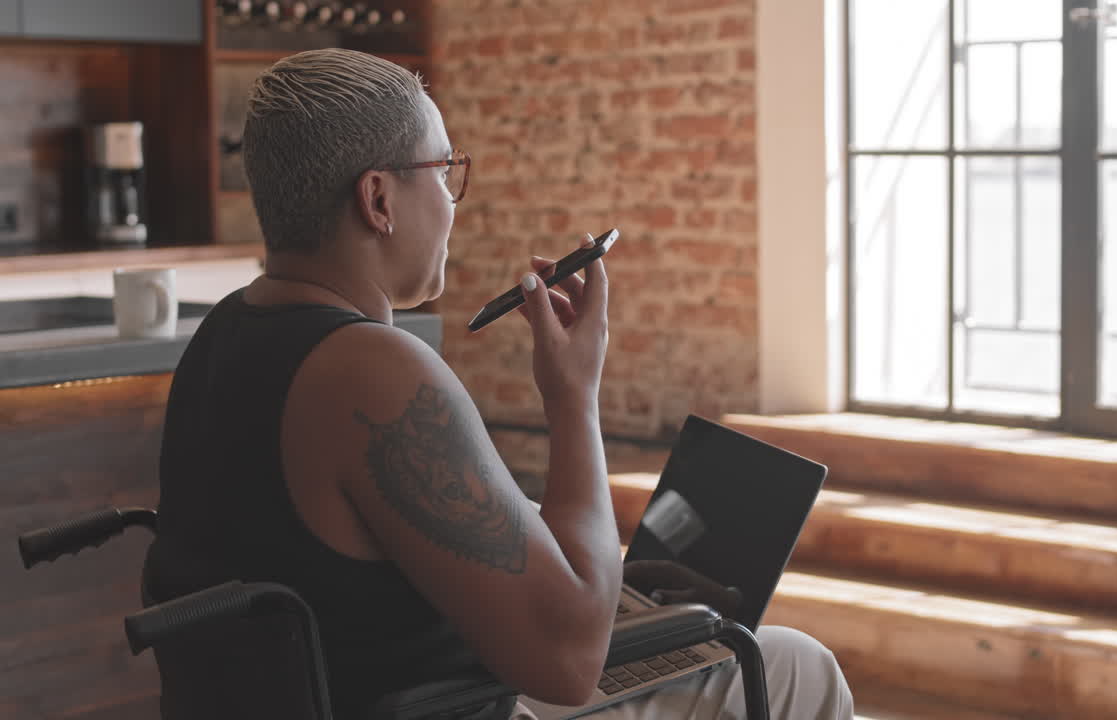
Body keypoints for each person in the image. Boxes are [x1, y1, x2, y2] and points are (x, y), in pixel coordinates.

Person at [146, 48, 853, 719]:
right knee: (795, 665)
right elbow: (571, 662)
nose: (455, 203)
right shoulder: (375, 373)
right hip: (449, 702)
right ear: (379, 199)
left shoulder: (225, 332)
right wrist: (574, 398)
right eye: (445, 170)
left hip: (381, 689)